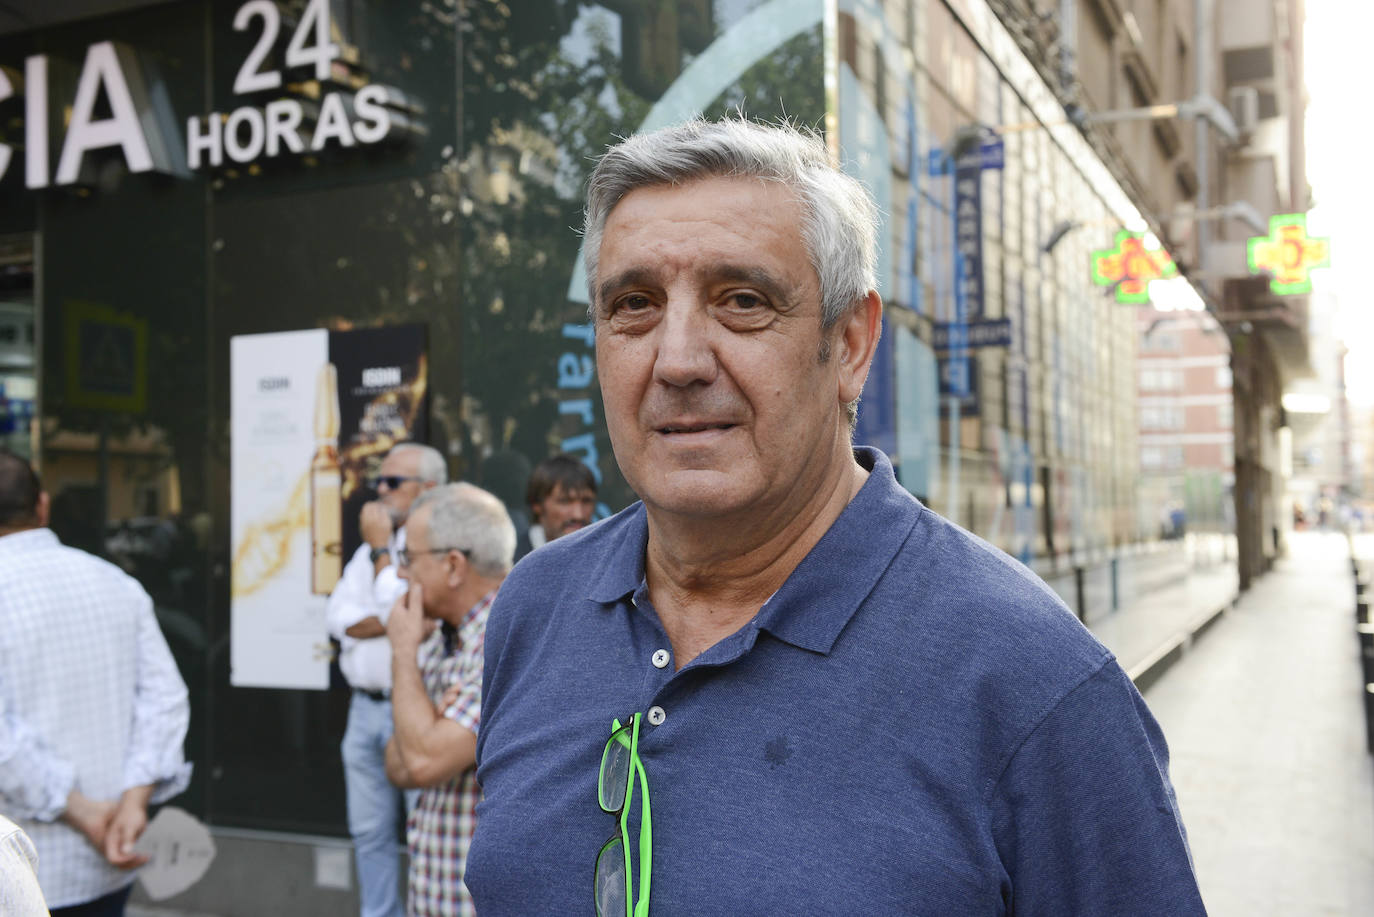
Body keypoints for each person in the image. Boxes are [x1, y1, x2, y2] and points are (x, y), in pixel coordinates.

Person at [466, 119, 1206, 914]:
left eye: (742, 301)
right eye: (635, 305)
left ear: (851, 343)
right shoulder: (534, 607)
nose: (677, 360)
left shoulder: (1033, 680)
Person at [0, 451, 192, 915]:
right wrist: (132, 802)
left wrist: (83, 810)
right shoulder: (115, 582)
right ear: (42, 506)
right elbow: (166, 698)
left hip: (18, 875)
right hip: (110, 857)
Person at [382, 483, 514, 917]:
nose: (401, 575)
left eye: (409, 559)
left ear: (453, 565)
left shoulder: (505, 638)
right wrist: (428, 728)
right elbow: (398, 765)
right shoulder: (446, 640)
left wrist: (403, 651)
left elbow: (421, 761)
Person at [325, 442, 445, 917]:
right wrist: (396, 613)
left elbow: (409, 613)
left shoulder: (437, 547)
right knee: (368, 832)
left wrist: (380, 556)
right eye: (380, 481)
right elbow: (338, 619)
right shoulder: (374, 553)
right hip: (364, 708)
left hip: (418, 708)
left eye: (393, 482)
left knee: (427, 830)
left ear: (428, 490)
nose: (380, 491)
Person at [513, 453, 598, 561]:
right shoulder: (512, 564)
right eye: (565, 501)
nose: (578, 515)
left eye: (586, 501)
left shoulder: (606, 555)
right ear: (537, 505)